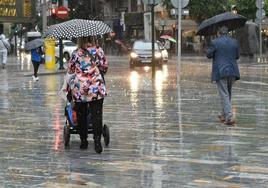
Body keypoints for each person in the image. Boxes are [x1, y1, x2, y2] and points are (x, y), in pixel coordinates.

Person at [65, 37, 108, 153]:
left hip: (80, 89)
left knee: (81, 115)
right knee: (97, 115)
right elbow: (104, 66)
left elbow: (70, 70)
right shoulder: (99, 51)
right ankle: (97, 142)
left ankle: (83, 141)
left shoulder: (75, 53)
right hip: (96, 88)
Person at [206, 26, 240, 126]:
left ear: (218, 33)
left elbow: (208, 55)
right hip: (233, 71)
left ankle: (229, 117)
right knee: (227, 94)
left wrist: (209, 48)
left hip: (221, 71)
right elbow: (237, 56)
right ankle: (224, 115)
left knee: (224, 94)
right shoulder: (234, 42)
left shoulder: (215, 42)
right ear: (227, 32)